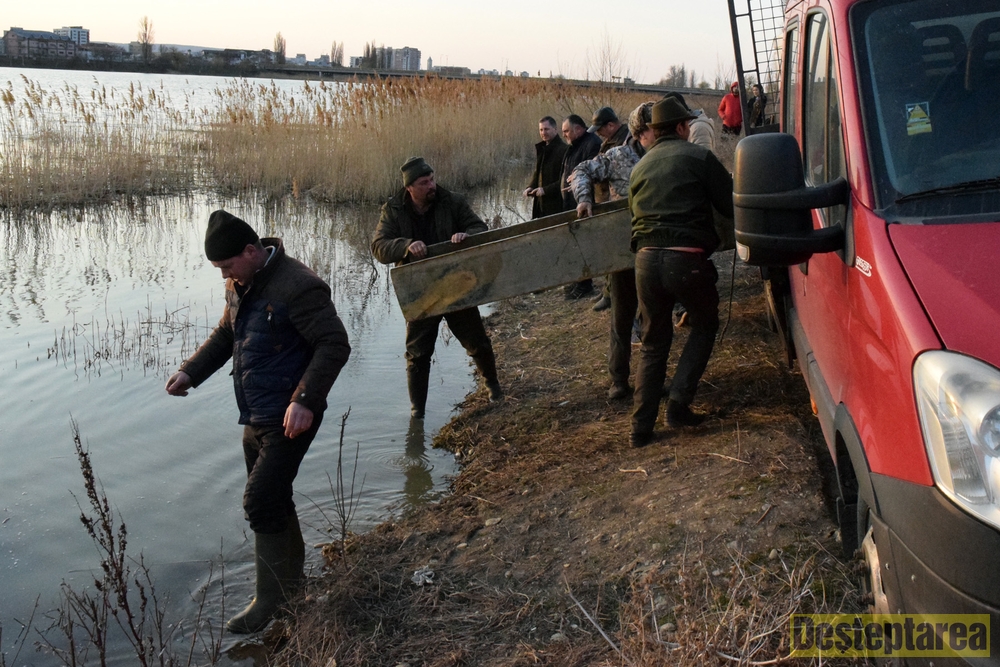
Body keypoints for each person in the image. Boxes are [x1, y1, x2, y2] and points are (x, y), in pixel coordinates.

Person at [165, 210, 352, 633]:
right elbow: (227, 334)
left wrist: (304, 400)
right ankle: (291, 589)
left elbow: (334, 344)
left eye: (226, 266)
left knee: (260, 501)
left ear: (251, 251)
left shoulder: (298, 286)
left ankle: (268, 602)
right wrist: (190, 372)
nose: (223, 275)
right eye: (219, 268)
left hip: (291, 415)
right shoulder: (240, 283)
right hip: (255, 413)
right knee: (274, 498)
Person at [627, 97, 734, 448]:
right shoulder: (698, 157)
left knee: (653, 343)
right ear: (680, 127)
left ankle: (640, 429)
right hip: (685, 261)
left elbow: (634, 216)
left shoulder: (639, 168)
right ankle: (678, 405)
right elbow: (729, 204)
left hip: (645, 262)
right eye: (687, 124)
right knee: (704, 324)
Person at [371, 156, 502, 419]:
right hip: (420, 292)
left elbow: (479, 227)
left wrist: (466, 236)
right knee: (417, 354)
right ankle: (417, 411)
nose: (431, 185)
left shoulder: (452, 201)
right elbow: (378, 247)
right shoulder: (393, 209)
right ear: (409, 188)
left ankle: (493, 387)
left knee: (477, 342)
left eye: (432, 179)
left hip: (456, 284)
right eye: (424, 182)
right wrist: (405, 245)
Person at [572, 102, 655, 400]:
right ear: (641, 131)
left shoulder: (667, 154)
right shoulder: (618, 156)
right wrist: (585, 199)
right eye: (656, 128)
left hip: (656, 251)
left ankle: (649, 382)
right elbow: (581, 170)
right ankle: (618, 380)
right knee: (621, 317)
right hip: (623, 251)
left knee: (654, 320)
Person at [586, 106, 631, 312]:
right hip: (606, 202)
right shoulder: (611, 141)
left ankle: (613, 294)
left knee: (617, 251)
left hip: (618, 204)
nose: (598, 134)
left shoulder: (625, 141)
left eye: (600, 129)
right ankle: (608, 290)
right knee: (608, 248)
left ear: (611, 125)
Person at [560, 114, 602, 300]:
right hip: (572, 202)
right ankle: (578, 280)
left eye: (566, 131)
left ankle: (585, 284)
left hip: (585, 202)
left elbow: (593, 172)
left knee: (584, 244)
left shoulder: (592, 143)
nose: (564, 135)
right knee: (574, 243)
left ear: (578, 129)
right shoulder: (574, 145)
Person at [523, 116, 569, 219]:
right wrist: (530, 187)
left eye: (546, 129)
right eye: (541, 130)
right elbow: (538, 172)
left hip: (557, 205)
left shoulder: (564, 150)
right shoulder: (542, 149)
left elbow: (565, 180)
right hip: (541, 205)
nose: (543, 133)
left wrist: (545, 190)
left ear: (555, 129)